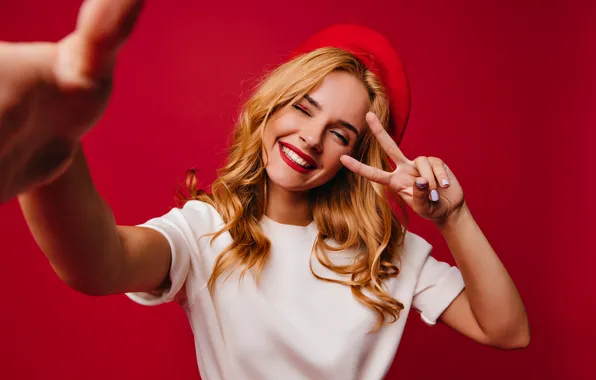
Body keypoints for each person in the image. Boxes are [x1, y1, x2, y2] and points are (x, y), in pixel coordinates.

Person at [1, 1, 530, 379]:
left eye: (340, 134)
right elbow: (98, 263)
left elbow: (507, 330)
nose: (311, 137)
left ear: (355, 160)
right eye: (303, 107)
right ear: (272, 105)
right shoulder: (208, 231)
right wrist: (53, 149)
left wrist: (452, 216)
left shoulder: (384, 256)